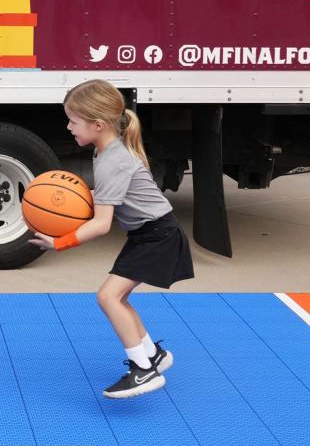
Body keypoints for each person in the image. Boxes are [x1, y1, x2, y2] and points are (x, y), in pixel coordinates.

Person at [30, 80, 193, 399]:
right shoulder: (107, 150)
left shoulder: (111, 160)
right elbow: (106, 197)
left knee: (107, 297)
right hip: (151, 232)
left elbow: (102, 224)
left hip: (157, 236)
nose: (68, 127)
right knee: (118, 298)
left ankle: (143, 370)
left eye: (73, 121)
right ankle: (154, 356)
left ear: (98, 124)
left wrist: (58, 242)